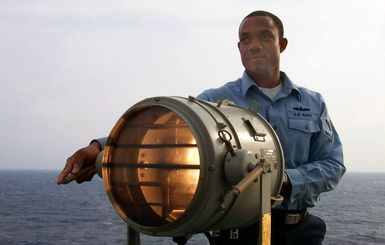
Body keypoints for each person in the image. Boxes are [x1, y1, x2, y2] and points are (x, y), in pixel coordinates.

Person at [57, 10, 345, 245]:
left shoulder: (312, 103)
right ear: (239, 48)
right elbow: (166, 128)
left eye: (265, 36)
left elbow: (333, 165)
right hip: (236, 232)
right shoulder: (216, 101)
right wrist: (100, 148)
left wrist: (283, 180)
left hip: (298, 231)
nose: (254, 44)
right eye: (246, 39)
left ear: (281, 44)